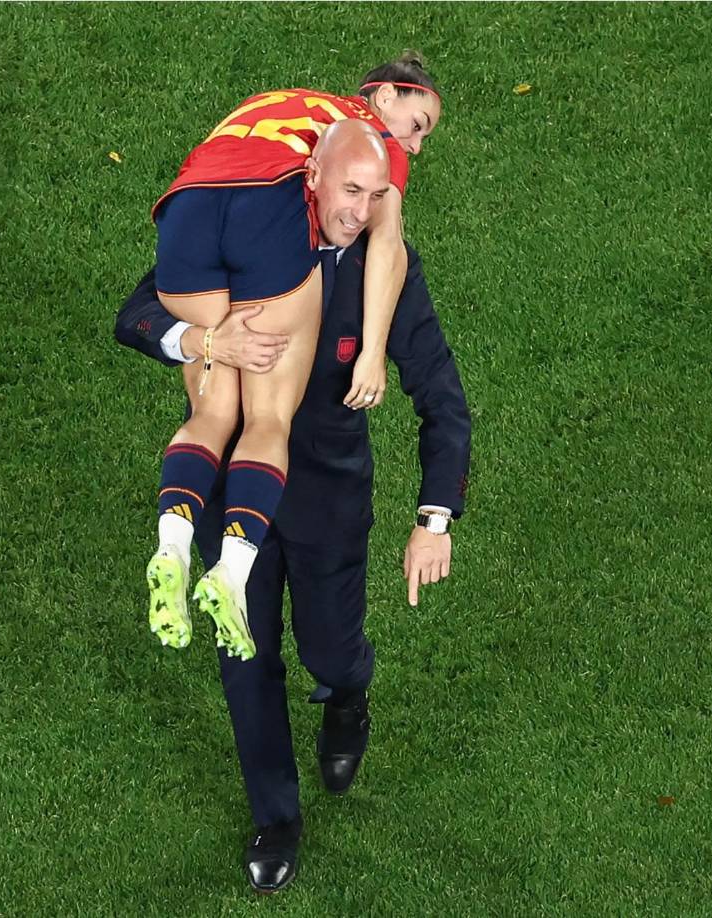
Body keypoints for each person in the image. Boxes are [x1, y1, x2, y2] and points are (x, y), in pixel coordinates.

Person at [115, 146, 471, 891]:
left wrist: (433, 519)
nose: (359, 212)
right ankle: (275, 817)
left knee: (330, 650)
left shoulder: (386, 272)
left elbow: (441, 393)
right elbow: (138, 315)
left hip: (327, 503)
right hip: (232, 492)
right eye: (349, 191)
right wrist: (205, 340)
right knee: (244, 660)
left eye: (375, 196)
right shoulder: (252, 234)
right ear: (313, 182)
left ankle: (347, 692)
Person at [146, 55, 443, 660]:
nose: (415, 144)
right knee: (266, 418)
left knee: (213, 407)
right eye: (419, 124)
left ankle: (171, 546)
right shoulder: (368, 142)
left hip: (185, 207)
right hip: (267, 213)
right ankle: (231, 575)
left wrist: (209, 340)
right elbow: (387, 245)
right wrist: (373, 351)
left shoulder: (286, 102)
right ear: (385, 96)